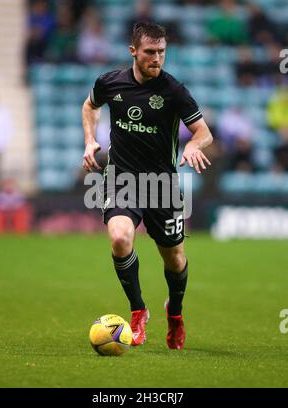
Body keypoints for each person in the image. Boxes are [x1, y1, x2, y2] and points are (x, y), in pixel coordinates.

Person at [82, 22, 213, 349]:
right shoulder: (110, 82)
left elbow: (203, 132)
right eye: (150, 52)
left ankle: (176, 313)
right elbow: (90, 106)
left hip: (163, 184)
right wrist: (88, 141)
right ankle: (138, 310)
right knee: (120, 237)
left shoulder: (173, 90)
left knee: (175, 258)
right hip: (122, 178)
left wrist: (195, 145)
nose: (157, 58)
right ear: (133, 52)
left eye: (162, 52)